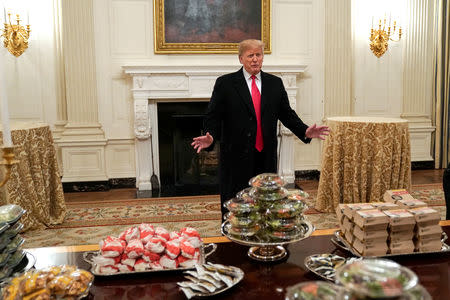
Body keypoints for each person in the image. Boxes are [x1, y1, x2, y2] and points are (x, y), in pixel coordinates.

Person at [191, 39, 329, 217]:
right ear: (241, 59)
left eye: (259, 55)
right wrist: (210, 137)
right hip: (236, 157)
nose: (255, 59)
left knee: (265, 204)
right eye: (250, 55)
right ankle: (233, 240)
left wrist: (304, 130)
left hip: (265, 156)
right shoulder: (225, 84)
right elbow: (213, 116)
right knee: (236, 206)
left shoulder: (275, 84)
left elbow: (287, 114)